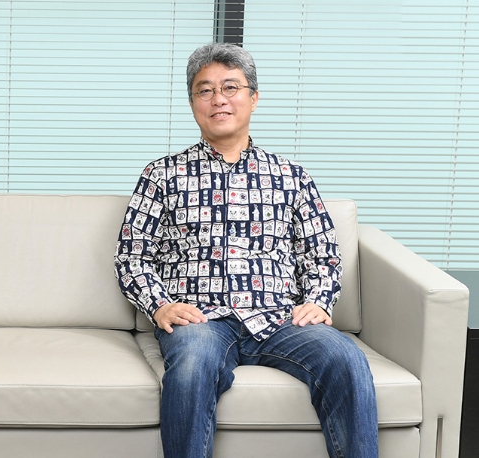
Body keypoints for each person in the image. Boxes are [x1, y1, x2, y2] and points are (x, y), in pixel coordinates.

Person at [114, 42, 378, 458]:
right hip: (200, 318)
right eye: (205, 90)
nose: (218, 99)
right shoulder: (161, 175)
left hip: (280, 317)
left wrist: (318, 300)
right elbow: (132, 255)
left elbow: (323, 254)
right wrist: (160, 305)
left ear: (253, 98)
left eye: (230, 87)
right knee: (192, 366)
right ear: (192, 103)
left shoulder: (291, 176)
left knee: (345, 357)